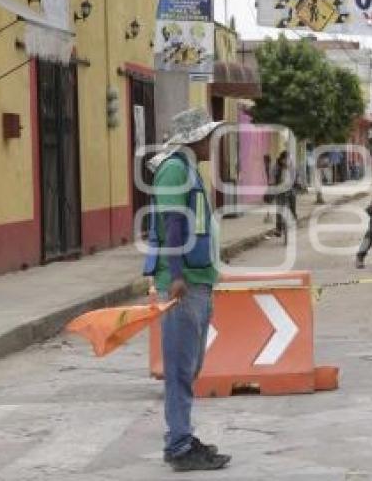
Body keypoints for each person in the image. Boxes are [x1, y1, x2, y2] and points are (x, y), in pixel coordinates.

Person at [143, 108, 231, 472]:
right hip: (184, 282)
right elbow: (173, 222)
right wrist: (177, 274)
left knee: (190, 366)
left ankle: (180, 435)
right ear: (195, 138)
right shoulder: (175, 169)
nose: (214, 141)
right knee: (180, 367)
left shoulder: (188, 167)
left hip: (198, 277)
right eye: (209, 135)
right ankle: (179, 445)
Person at [271, 150, 297, 237]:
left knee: (293, 202)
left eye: (288, 159)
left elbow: (296, 176)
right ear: (281, 159)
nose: (286, 161)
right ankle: (278, 229)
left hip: (290, 188)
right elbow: (272, 177)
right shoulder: (276, 166)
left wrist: (298, 183)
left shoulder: (292, 166)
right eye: (285, 159)